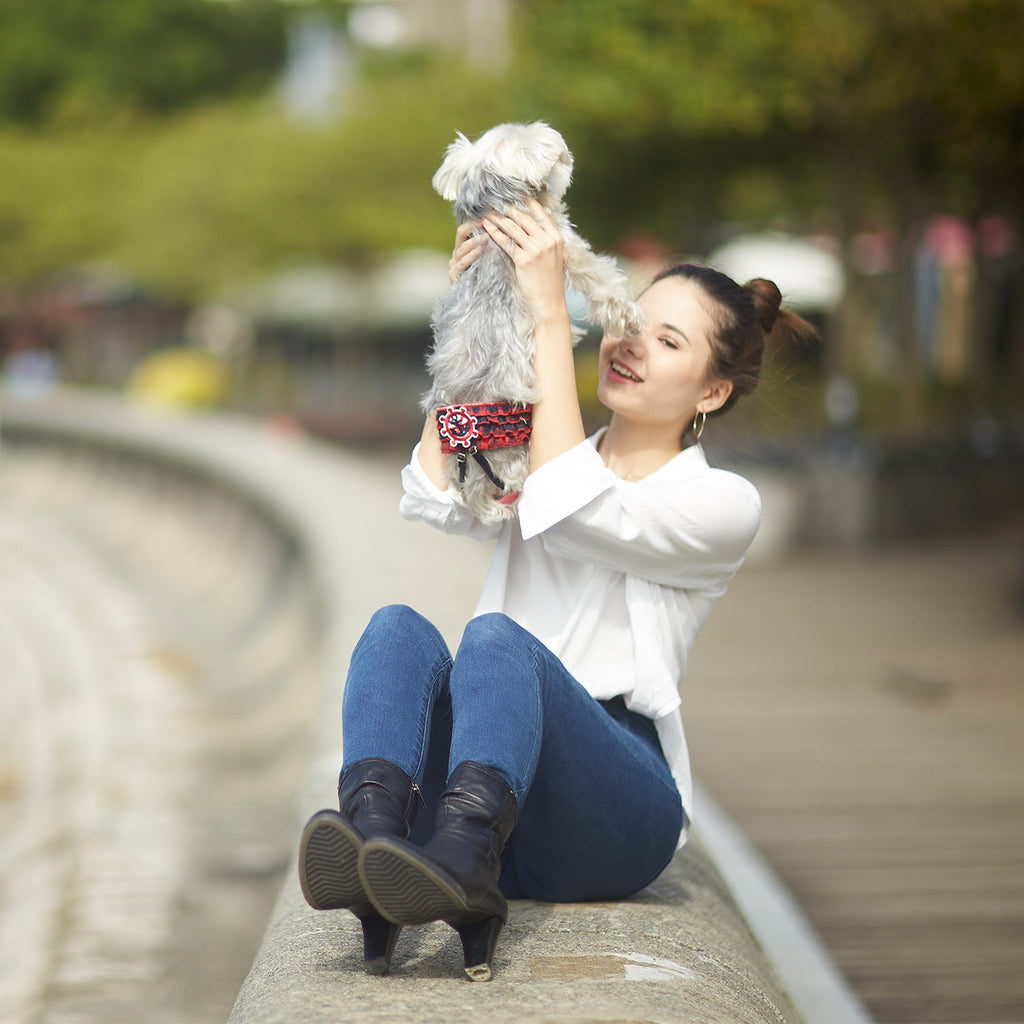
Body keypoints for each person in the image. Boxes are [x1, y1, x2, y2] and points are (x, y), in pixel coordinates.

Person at [298, 198, 810, 982]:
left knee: (499, 641)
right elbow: (432, 487)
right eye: (630, 320)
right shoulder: (534, 439)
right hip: (490, 774)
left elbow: (572, 506)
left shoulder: (722, 504)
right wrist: (479, 314)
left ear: (710, 393)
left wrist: (547, 312)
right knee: (395, 629)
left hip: (610, 806)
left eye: (668, 341)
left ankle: (464, 858)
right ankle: (373, 848)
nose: (631, 343)